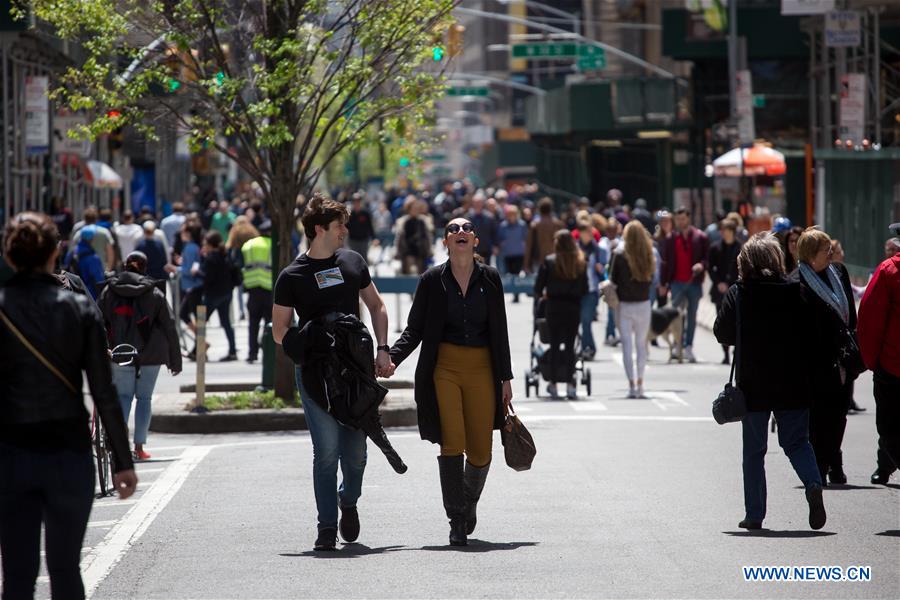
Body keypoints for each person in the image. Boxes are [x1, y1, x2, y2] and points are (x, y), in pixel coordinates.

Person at [0, 212, 137, 597]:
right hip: (68, 453)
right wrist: (123, 463)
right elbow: (103, 391)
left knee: (17, 574)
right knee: (64, 568)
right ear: (55, 252)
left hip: (11, 454)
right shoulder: (77, 309)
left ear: (10, 256)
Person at [272, 193, 392, 552]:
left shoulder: (353, 261)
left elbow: (377, 304)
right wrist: (309, 338)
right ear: (320, 228)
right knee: (326, 452)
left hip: (355, 373)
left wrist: (383, 348)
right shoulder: (292, 275)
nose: (345, 230)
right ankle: (326, 527)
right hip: (315, 375)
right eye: (340, 224)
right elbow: (279, 331)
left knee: (355, 455)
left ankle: (348, 501)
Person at [388, 217, 513, 546]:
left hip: (483, 368)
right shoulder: (431, 280)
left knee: (482, 450)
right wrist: (392, 358)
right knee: (452, 440)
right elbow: (415, 328)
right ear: (445, 241)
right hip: (444, 366)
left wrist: (505, 377)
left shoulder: (491, 279)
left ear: (475, 241)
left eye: (466, 228)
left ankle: (467, 502)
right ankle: (456, 518)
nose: (460, 232)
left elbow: (499, 329)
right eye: (453, 229)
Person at [714, 232, 825, 531]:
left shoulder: (740, 292)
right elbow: (813, 335)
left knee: (754, 451)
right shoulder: (797, 290)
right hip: (793, 382)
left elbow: (722, 333)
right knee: (797, 442)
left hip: (754, 385)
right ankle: (813, 483)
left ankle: (755, 514)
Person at [98, 251, 182, 461]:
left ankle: (119, 444)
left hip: (120, 351)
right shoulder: (154, 293)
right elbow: (169, 326)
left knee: (124, 397)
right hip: (151, 354)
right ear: (145, 268)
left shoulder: (109, 291)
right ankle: (139, 447)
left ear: (124, 266)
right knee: (144, 398)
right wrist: (175, 359)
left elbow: (98, 321)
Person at [791, 228, 857, 485]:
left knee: (839, 416)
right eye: (824, 250)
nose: (830, 253)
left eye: (830, 248)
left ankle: (829, 461)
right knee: (818, 419)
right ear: (809, 255)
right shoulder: (796, 282)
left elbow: (851, 310)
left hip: (843, 360)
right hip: (815, 364)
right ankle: (819, 468)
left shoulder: (839, 272)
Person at [858, 239, 900, 485]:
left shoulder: (888, 271)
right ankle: (883, 466)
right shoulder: (888, 271)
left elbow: (869, 321)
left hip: (891, 365)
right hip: (891, 364)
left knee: (889, 427)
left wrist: (873, 361)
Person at [534, 230, 589, 400]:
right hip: (572, 306)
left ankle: (553, 384)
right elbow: (585, 288)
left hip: (554, 306)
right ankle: (571, 384)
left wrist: (544, 294)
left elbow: (538, 286)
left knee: (555, 345)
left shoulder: (550, 261)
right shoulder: (580, 262)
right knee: (571, 345)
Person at [610, 222, 656, 399]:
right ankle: (641, 383)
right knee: (641, 345)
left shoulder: (619, 254)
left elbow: (613, 280)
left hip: (625, 304)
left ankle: (631, 384)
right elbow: (652, 278)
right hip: (643, 303)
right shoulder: (648, 253)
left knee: (627, 346)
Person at [659, 206, 708, 363]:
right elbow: (665, 263)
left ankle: (688, 347)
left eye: (684, 218)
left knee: (692, 315)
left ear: (689, 218)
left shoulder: (700, 237)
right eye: (678, 219)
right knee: (675, 316)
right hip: (676, 283)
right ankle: (676, 346)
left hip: (693, 283)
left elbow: (707, 258)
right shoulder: (670, 238)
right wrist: (663, 283)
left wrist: (701, 265)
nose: (681, 222)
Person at [197, 230, 239, 361]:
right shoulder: (225, 255)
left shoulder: (210, 258)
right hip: (226, 293)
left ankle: (199, 352)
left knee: (201, 322)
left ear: (210, 244)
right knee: (226, 323)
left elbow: (208, 277)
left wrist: (197, 271)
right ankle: (233, 351)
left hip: (212, 295)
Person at [708, 219, 742, 364]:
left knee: (737, 320)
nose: (723, 233)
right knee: (722, 319)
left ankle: (736, 349)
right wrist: (718, 283)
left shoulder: (740, 248)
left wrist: (730, 283)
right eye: (722, 230)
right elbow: (711, 268)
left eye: (726, 230)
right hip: (719, 290)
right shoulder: (715, 248)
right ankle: (726, 353)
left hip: (735, 289)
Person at [241, 219, 273, 364]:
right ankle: (268, 352)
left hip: (252, 290)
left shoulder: (248, 245)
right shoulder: (273, 245)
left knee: (253, 324)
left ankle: (252, 353)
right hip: (269, 290)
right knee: (269, 324)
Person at [576, 222, 603, 359]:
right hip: (577, 290)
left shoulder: (596, 249)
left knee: (586, 320)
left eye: (590, 232)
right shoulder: (575, 248)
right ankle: (587, 347)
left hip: (592, 290)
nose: (589, 235)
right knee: (579, 321)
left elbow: (603, 269)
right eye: (586, 232)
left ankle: (588, 348)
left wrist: (601, 269)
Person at [226, 216, 260, 321]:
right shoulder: (252, 231)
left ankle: (242, 311)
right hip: (251, 263)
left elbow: (229, 246)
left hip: (240, 266)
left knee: (240, 292)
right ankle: (252, 309)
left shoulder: (235, 232)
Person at [65, 224, 105, 300]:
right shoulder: (93, 257)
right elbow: (99, 280)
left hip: (73, 293)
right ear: (92, 238)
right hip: (90, 296)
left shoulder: (72, 252)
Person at [496, 204, 527, 302]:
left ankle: (516, 294)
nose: (511, 216)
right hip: (507, 253)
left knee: (516, 273)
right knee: (509, 273)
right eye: (509, 214)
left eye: (513, 214)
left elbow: (526, 237)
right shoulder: (503, 225)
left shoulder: (522, 225)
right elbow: (499, 238)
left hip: (519, 253)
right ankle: (513, 291)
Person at [524, 197, 563, 274]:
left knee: (539, 284)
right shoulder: (558, 224)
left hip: (538, 261)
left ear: (540, 209)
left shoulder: (534, 225)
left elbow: (529, 246)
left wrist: (526, 265)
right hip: (555, 260)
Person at [135, 221, 169, 295]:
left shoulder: (140, 246)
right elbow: (164, 260)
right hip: (159, 276)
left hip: (145, 277)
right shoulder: (159, 244)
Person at [346, 192, 375, 262]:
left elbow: (370, 226)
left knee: (363, 258)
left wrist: (374, 238)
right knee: (354, 259)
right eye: (355, 201)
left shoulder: (365, 213)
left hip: (364, 240)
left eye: (358, 201)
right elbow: (346, 226)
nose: (357, 203)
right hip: (353, 240)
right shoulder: (349, 214)